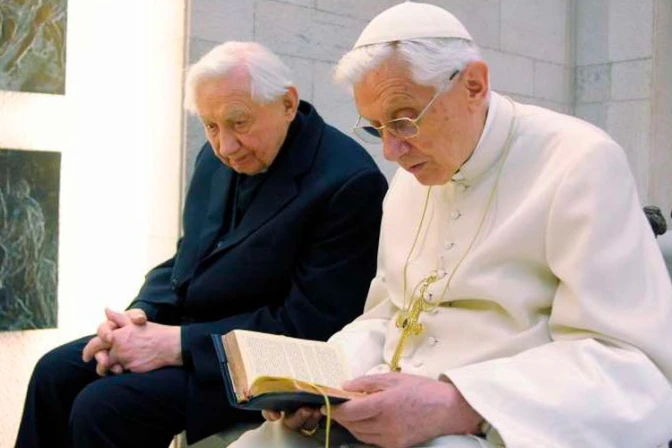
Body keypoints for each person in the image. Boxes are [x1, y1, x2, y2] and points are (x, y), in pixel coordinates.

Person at [230, 3, 672, 447]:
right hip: (379, 409)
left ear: (473, 85)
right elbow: (389, 316)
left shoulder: (581, 163)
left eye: (404, 120)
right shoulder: (409, 181)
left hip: (499, 427)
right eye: (377, 128)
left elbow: (632, 368)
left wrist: (460, 403)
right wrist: (319, 380)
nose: (391, 152)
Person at [14, 41, 388, 447]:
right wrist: (137, 318)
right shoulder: (215, 158)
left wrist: (175, 345)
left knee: (103, 406)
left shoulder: (349, 182)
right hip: (190, 334)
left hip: (258, 365)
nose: (225, 147)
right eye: (210, 126)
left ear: (287, 103)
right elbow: (186, 260)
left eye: (239, 122)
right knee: (53, 373)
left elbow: (310, 326)